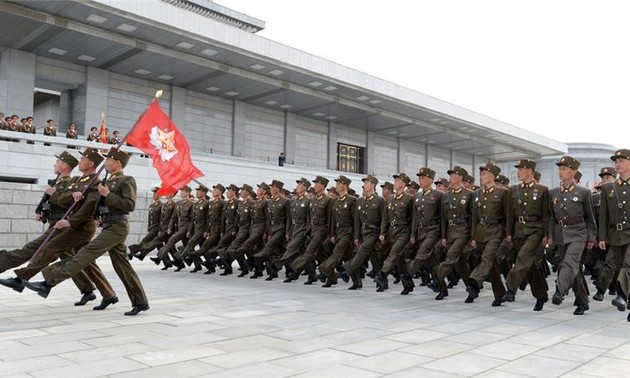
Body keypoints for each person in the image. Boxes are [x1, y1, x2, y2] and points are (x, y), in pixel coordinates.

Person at [26, 147, 150, 316]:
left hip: (118, 228)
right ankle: (140, 302)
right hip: (109, 226)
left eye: (109, 160)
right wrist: (99, 215)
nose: (106, 162)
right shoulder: (108, 180)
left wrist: (108, 194)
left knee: (85, 253)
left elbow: (129, 205)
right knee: (123, 267)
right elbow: (100, 205)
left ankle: (49, 281)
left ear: (118, 162)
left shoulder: (126, 180)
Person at [0, 150, 116, 307]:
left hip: (76, 226)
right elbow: (64, 199)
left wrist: (69, 220)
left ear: (91, 164)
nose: (80, 161)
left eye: (83, 159)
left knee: (47, 248)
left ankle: (21, 279)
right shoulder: (78, 180)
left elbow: (86, 207)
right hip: (71, 226)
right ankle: (101, 293)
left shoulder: (94, 182)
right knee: (84, 261)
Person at [548, 156, 596, 315]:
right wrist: (550, 236)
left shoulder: (583, 192)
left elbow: (590, 217)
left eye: (564, 169)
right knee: (572, 268)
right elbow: (551, 218)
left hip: (578, 233)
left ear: (573, 171)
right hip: (560, 234)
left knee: (569, 262)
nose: (560, 172)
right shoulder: (553, 193)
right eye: (559, 169)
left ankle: (559, 291)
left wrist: (592, 237)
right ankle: (582, 301)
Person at [501, 159, 550, 311]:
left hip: (535, 231)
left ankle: (510, 289)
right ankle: (541, 295)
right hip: (519, 231)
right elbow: (510, 214)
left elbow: (546, 215)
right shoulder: (513, 190)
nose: (518, 172)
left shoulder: (542, 189)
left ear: (530, 171)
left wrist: (547, 234)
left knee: (522, 259)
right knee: (530, 267)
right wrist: (508, 233)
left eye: (521, 169)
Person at [466, 163, 511, 306]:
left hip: (496, 231)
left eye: (484, 174)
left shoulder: (502, 192)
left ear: (492, 175)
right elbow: (474, 217)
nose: (482, 176)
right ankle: (500, 294)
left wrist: (508, 234)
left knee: (487, 258)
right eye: (481, 174)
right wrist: (473, 236)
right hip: (480, 232)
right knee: (490, 265)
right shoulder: (477, 194)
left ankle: (474, 281)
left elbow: (508, 216)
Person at [428, 166, 473, 300]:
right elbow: (443, 218)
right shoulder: (446, 195)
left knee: (451, 256)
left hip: (463, 231)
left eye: (453, 175)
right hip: (450, 232)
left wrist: (472, 236)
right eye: (451, 175)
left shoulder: (469, 194)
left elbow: (473, 217)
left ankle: (437, 280)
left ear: (460, 177)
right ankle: (472, 288)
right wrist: (443, 236)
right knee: (459, 264)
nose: (451, 178)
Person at [598, 149, 630, 321]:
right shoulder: (609, 188)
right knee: (618, 268)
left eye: (621, 161)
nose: (617, 164)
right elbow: (604, 215)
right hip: (615, 234)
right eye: (615, 162)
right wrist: (602, 237)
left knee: (627, 266)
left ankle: (622, 296)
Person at [343, 174, 384, 290]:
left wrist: (382, 234)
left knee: (360, 252)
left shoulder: (380, 200)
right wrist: (356, 236)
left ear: (373, 185)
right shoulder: (360, 201)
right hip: (364, 233)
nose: (364, 185)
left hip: (374, 233)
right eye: (364, 183)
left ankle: (347, 270)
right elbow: (357, 221)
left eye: (367, 183)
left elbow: (384, 219)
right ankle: (376, 282)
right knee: (375, 259)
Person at [288, 176, 332, 284]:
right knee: (320, 256)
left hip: (322, 231)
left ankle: (295, 269)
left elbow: (330, 219)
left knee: (309, 251)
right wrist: (307, 230)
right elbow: (309, 218)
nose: (315, 186)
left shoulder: (328, 200)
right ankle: (327, 277)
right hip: (312, 230)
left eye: (317, 184)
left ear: (322, 186)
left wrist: (330, 234)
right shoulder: (314, 200)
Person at [375, 172, 414, 294]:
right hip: (392, 232)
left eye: (397, 181)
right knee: (400, 260)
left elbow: (413, 219)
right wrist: (383, 233)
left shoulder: (409, 198)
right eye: (395, 181)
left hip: (404, 232)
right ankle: (408, 285)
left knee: (394, 253)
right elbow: (386, 218)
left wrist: (413, 235)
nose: (395, 183)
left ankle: (382, 274)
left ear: (403, 184)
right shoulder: (390, 198)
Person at [406, 168, 443, 290]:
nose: (420, 180)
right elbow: (415, 218)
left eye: (423, 178)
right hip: (421, 231)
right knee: (431, 261)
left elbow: (443, 217)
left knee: (422, 252)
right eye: (419, 178)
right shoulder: (416, 196)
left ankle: (408, 272)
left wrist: (444, 235)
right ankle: (441, 288)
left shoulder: (438, 195)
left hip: (434, 229)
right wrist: (413, 234)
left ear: (430, 180)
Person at [318, 175, 356, 287]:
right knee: (348, 257)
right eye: (337, 183)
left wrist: (356, 235)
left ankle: (323, 272)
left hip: (348, 231)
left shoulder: (352, 200)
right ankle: (356, 282)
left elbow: (356, 220)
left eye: (339, 183)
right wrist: (332, 234)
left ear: (345, 186)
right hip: (338, 231)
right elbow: (332, 220)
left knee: (337, 252)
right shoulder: (334, 201)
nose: (337, 185)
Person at [128, 186, 162, 260]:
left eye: (156, 193)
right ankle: (168, 262)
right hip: (151, 227)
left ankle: (131, 253)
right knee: (159, 245)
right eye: (154, 193)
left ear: (160, 195)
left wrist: (160, 230)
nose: (155, 195)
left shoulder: (161, 206)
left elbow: (161, 219)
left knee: (144, 241)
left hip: (156, 228)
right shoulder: (152, 205)